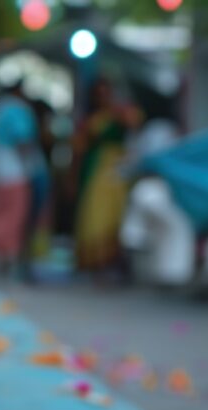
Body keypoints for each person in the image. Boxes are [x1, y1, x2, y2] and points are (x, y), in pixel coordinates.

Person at [72, 78, 142, 272]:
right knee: (96, 213)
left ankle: (115, 260)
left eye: (106, 93)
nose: (103, 98)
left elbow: (135, 124)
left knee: (118, 212)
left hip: (118, 169)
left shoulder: (120, 113)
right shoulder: (91, 119)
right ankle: (96, 261)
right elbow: (79, 148)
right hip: (96, 168)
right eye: (99, 94)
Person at [0, 82, 47, 277]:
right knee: (16, 217)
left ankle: (1, 258)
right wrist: (30, 166)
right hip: (16, 173)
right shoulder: (17, 109)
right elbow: (22, 139)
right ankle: (14, 258)